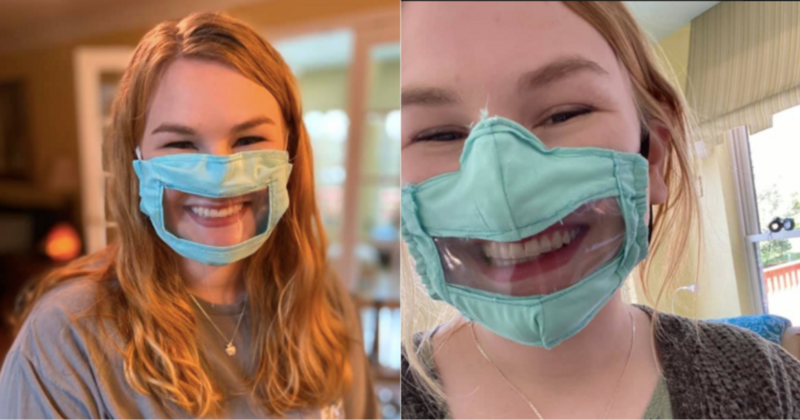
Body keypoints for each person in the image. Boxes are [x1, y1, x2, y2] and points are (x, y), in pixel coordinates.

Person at [399, 2, 800, 419]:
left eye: (565, 113)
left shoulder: (768, 385)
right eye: (438, 134)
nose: (504, 186)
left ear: (653, 158)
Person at [0, 12, 378, 419]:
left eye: (248, 139)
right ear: (136, 161)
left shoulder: (322, 299)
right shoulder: (64, 340)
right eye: (181, 143)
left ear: (290, 150)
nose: (218, 176)